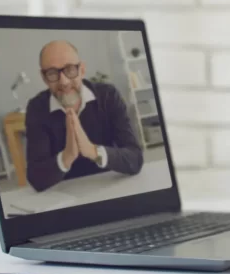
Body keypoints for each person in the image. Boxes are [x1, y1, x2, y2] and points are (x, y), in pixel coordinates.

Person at [25, 40, 143, 193]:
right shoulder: (37, 108)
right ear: (44, 77)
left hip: (112, 186)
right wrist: (67, 156)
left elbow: (135, 158)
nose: (64, 81)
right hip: (64, 196)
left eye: (70, 69)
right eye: (53, 73)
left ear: (82, 69)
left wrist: (92, 151)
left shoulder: (108, 96)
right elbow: (36, 178)